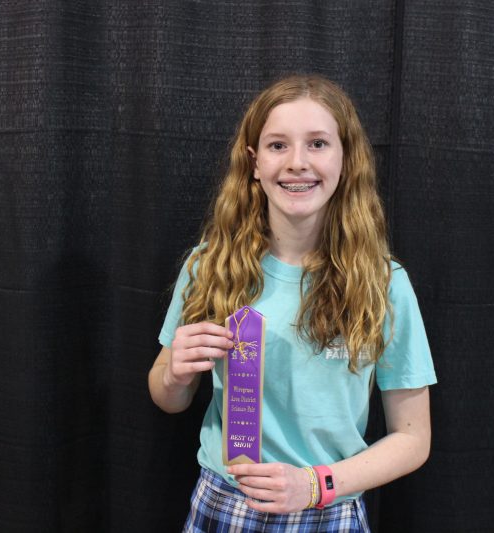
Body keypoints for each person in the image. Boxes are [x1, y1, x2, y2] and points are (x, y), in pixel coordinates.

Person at [148, 74, 436, 532]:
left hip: (328, 508)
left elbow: (413, 438)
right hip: (222, 504)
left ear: (346, 158)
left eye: (318, 144)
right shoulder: (210, 266)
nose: (297, 163)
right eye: (278, 145)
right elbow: (168, 398)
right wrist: (174, 376)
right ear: (254, 163)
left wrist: (314, 485)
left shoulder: (384, 284)